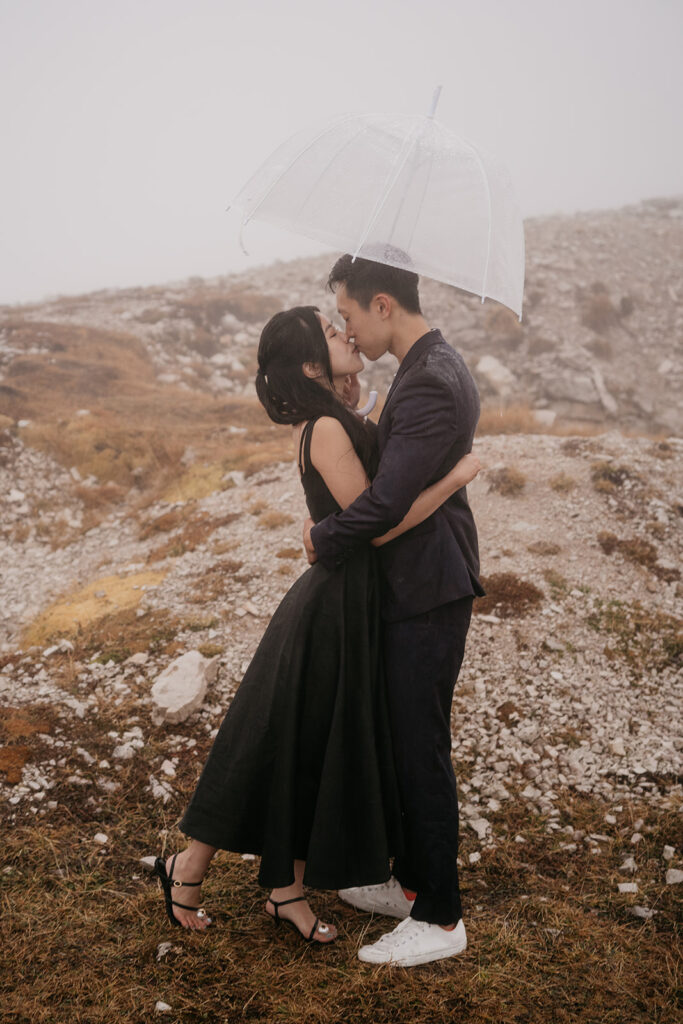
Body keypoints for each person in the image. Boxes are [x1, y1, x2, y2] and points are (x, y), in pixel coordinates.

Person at [153, 305, 481, 946]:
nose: (345, 332)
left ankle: (267, 884)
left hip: (348, 600)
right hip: (334, 606)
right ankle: (214, 875)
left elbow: (365, 492)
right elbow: (379, 522)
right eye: (332, 334)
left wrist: (360, 410)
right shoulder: (327, 427)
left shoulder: (332, 417)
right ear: (310, 364)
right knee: (285, 740)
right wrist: (455, 477)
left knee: (301, 742)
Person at [304, 255, 484, 967]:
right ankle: (410, 884)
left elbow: (381, 507)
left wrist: (322, 538)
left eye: (346, 314)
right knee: (400, 738)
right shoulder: (424, 367)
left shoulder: (432, 382)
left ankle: (440, 919)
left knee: (419, 749)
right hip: (414, 584)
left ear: (382, 304)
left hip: (427, 589)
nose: (344, 327)